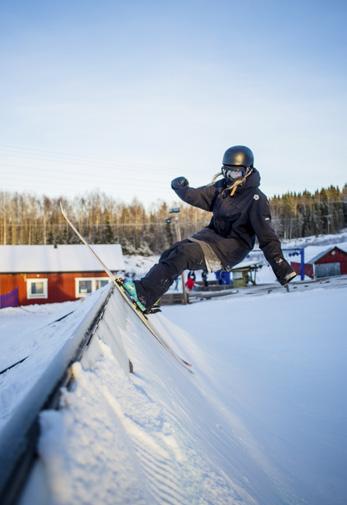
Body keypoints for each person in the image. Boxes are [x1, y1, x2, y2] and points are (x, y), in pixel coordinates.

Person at [124, 145, 296, 312]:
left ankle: (144, 294)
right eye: (227, 171)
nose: (232, 177)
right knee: (170, 253)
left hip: (230, 249)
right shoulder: (223, 188)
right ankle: (151, 296)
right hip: (211, 238)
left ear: (248, 170)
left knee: (182, 255)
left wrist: (281, 267)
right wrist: (181, 189)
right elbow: (200, 196)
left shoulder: (256, 199)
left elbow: (268, 237)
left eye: (237, 172)